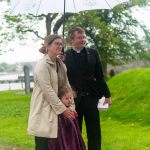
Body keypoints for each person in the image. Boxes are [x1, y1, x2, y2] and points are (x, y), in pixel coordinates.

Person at [64, 27, 112, 150]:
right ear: (71, 40)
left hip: (91, 98)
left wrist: (107, 95)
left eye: (84, 37)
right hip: (73, 100)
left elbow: (99, 76)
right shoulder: (64, 55)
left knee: (95, 132)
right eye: (79, 37)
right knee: (75, 131)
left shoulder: (93, 53)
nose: (83, 39)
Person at [27, 34, 75, 150]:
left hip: (58, 112)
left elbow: (67, 87)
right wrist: (63, 110)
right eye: (56, 43)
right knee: (43, 145)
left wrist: (71, 106)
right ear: (47, 46)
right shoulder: (42, 65)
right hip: (43, 110)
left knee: (58, 146)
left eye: (61, 44)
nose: (60, 46)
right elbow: (48, 91)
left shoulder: (61, 65)